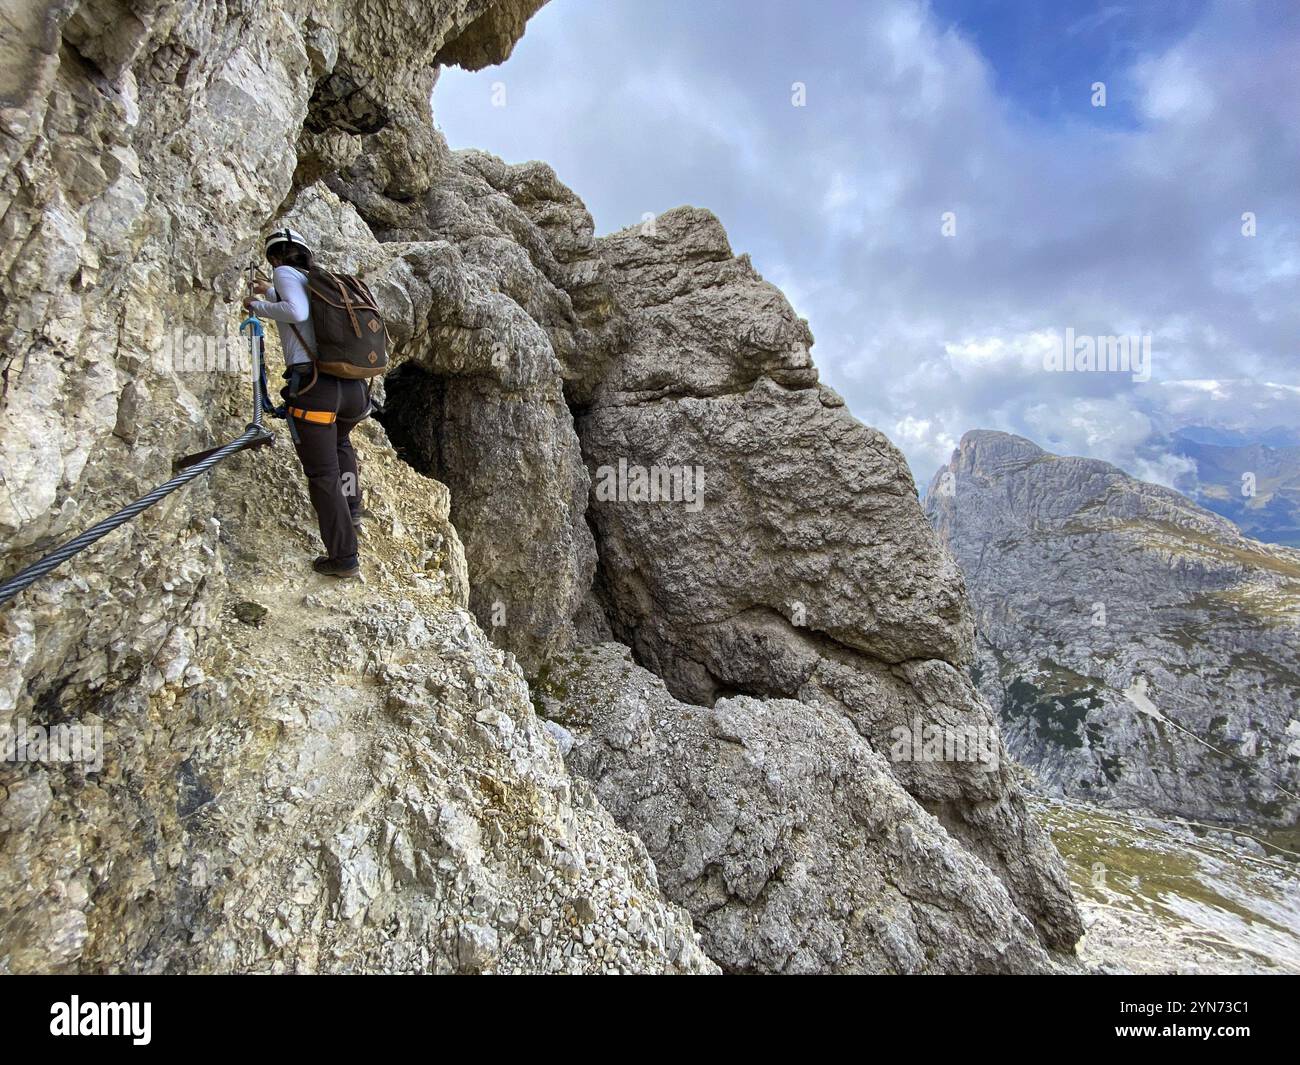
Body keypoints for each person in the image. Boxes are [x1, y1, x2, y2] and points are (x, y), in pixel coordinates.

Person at [244, 228, 368, 578]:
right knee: (342, 444)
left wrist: (257, 305)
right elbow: (303, 307)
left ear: (274, 257)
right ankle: (353, 508)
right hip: (352, 389)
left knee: (322, 474)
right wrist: (269, 294)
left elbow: (295, 312)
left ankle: (343, 557)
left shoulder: (283, 272)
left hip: (316, 388)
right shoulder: (319, 279)